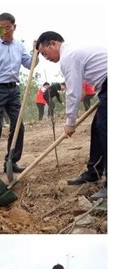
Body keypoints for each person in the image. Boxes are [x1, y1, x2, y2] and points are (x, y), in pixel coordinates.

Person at [36, 32, 107, 199]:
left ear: (52, 44)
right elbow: (80, 87)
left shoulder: (68, 56)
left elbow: (73, 93)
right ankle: (94, 172)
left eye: (45, 53)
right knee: (98, 129)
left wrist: (70, 122)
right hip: (106, 85)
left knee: (105, 129)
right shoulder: (74, 52)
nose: (46, 58)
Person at [0, 13, 37, 178]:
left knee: (18, 125)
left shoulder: (18, 46)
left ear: (14, 27)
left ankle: (11, 161)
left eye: (7, 27)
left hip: (13, 90)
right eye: (0, 28)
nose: (4, 31)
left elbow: (29, 64)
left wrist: (35, 53)